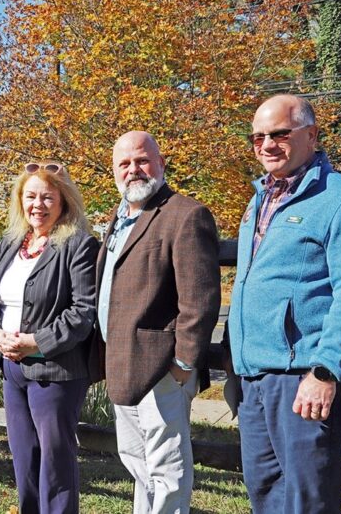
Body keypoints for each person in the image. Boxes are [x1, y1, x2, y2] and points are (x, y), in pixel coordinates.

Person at [227, 94, 341, 513]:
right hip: (255, 380)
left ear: (311, 135)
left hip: (305, 380)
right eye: (257, 137)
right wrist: (238, 366)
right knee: (265, 497)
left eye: (279, 134)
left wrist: (326, 371)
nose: (267, 145)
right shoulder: (259, 202)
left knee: (307, 503)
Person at [97, 131, 221, 514]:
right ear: (114, 171)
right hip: (122, 363)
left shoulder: (186, 214)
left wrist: (183, 364)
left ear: (161, 163)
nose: (133, 169)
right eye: (124, 163)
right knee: (137, 462)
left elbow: (199, 300)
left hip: (163, 369)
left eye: (142, 160)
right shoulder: (119, 218)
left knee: (167, 468)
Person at [0, 160, 98, 514]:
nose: (38, 205)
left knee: (55, 461)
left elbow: (83, 312)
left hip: (55, 370)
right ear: (20, 200)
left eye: (48, 197)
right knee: (24, 458)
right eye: (30, 196)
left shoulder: (78, 245)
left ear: (63, 201)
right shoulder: (12, 241)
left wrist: (36, 342)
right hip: (12, 369)